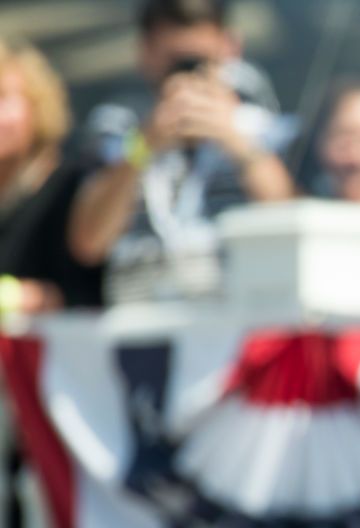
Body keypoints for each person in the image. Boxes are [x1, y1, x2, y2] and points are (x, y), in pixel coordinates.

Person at [67, 0, 294, 304]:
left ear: (230, 48)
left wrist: (233, 138)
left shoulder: (265, 130)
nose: (187, 78)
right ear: (145, 53)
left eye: (198, 62)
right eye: (176, 63)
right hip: (139, 332)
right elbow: (88, 244)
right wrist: (144, 146)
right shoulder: (117, 131)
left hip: (239, 332)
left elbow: (291, 222)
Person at [0, 38, 103, 312]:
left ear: (37, 105)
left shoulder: (71, 184)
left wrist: (17, 297)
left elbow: (82, 289)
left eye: (2, 97)